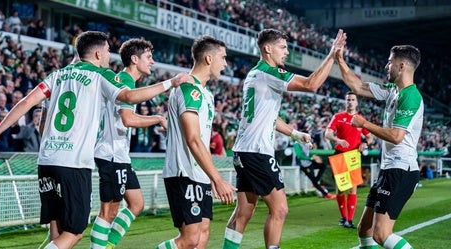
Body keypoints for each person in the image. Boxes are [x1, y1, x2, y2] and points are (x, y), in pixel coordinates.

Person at [0, 31, 191, 249]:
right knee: (74, 233)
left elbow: (28, 103)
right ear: (97, 53)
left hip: (47, 160)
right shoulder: (101, 74)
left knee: (56, 233)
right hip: (74, 162)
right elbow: (128, 97)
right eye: (107, 51)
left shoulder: (56, 76)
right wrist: (171, 82)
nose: (109, 56)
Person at [222, 28, 346, 249]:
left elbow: (268, 116)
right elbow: (311, 84)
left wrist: (295, 134)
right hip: (257, 151)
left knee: (244, 212)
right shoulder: (268, 72)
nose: (287, 52)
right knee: (279, 209)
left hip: (244, 151)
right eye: (283, 47)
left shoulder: (254, 74)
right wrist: (332, 55)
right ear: (268, 49)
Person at [336, 44, 423, 249]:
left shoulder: (410, 96)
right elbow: (357, 87)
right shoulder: (393, 90)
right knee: (364, 230)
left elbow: (396, 136)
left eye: (390, 62)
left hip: (400, 170)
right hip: (389, 169)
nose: (386, 66)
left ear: (401, 66)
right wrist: (338, 58)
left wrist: (364, 124)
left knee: (381, 234)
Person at [156, 35, 236, 249]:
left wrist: (208, 175)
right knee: (190, 238)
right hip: (183, 172)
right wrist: (217, 178)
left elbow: (202, 139)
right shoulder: (188, 90)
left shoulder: (206, 94)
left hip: (198, 173)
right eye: (223, 58)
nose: (226, 64)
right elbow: (192, 139)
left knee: (202, 235)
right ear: (209, 59)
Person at [90, 38, 168, 249]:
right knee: (109, 210)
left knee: (136, 203)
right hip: (111, 154)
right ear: (135, 59)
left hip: (120, 155)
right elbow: (129, 119)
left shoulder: (127, 81)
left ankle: (108, 245)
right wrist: (158, 119)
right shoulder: (124, 80)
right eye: (148, 57)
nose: (152, 62)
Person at [324, 92, 373, 228]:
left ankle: (350, 220)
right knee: (341, 189)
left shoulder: (360, 119)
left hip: (353, 156)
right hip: (340, 154)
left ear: (357, 103)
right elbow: (327, 133)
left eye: (353, 100)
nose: (350, 102)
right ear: (345, 102)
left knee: (352, 189)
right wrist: (338, 139)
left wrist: (365, 143)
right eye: (348, 100)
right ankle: (343, 217)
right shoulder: (338, 117)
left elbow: (370, 137)